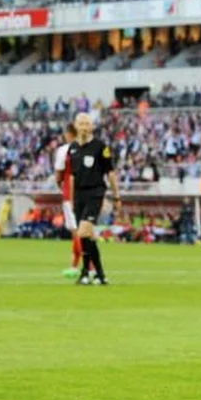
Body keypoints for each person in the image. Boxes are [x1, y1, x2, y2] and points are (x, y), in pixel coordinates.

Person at [68, 112, 120, 285]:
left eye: (86, 123)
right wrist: (69, 198)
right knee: (86, 236)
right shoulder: (73, 148)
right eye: (80, 123)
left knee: (83, 231)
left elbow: (110, 173)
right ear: (76, 126)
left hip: (95, 193)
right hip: (79, 196)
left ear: (91, 127)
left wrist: (116, 196)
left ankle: (88, 272)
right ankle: (96, 275)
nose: (83, 127)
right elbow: (73, 177)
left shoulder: (100, 147)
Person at [53, 123, 83, 278]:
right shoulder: (86, 148)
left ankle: (90, 267)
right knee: (79, 230)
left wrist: (61, 185)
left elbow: (58, 175)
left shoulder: (64, 150)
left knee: (76, 231)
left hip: (69, 195)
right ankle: (74, 265)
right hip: (86, 194)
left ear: (68, 133)